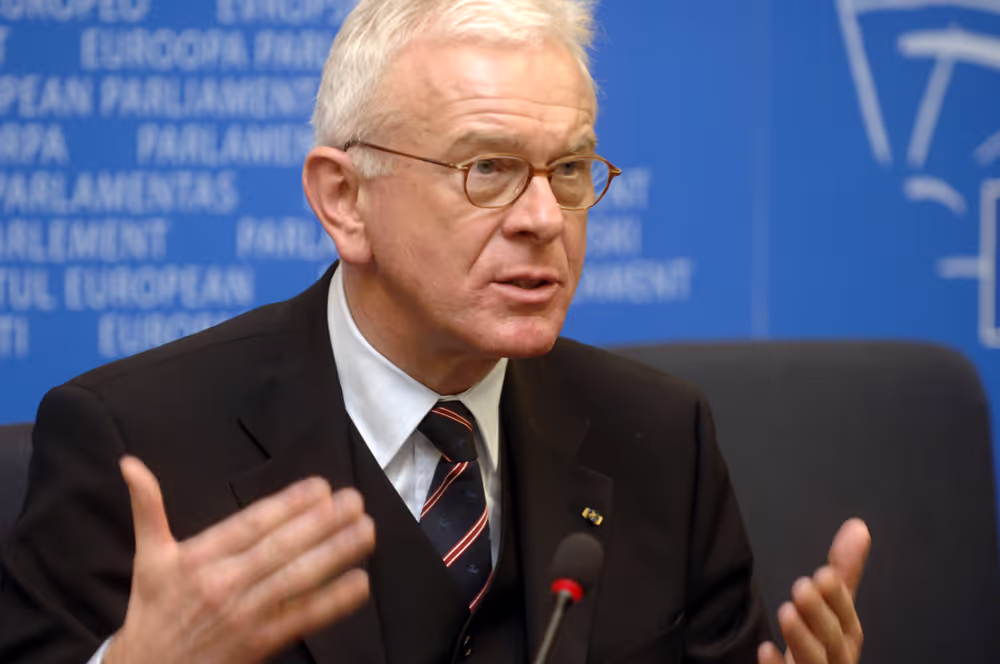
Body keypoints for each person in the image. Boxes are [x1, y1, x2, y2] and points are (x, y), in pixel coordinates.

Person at [0, 0, 871, 662]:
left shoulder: (661, 438)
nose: (544, 218)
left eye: (570, 168)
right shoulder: (137, 444)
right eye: (488, 168)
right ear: (345, 200)